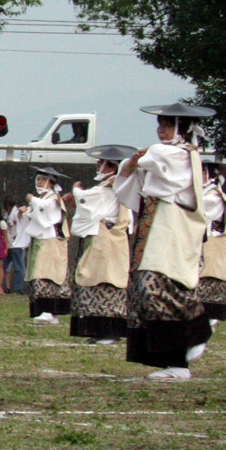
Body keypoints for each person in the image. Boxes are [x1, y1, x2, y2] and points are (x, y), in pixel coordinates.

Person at [114, 103, 215, 380]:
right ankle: (174, 360)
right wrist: (134, 161)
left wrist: (139, 158)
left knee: (157, 284)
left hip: (170, 227)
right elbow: (130, 175)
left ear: (182, 130)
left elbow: (154, 159)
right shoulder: (166, 153)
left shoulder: (180, 154)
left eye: (168, 125)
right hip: (155, 224)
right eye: (160, 125)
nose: (161, 130)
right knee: (146, 289)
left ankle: (197, 331)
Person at [69, 145, 133, 345]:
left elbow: (87, 200)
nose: (98, 166)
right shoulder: (117, 186)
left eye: (101, 163)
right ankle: (99, 330)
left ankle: (109, 332)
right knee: (97, 280)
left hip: (107, 239)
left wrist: (76, 191)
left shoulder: (111, 187)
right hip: (106, 238)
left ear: (111, 166)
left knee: (105, 281)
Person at [25, 167, 72, 324]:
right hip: (41, 240)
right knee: (41, 272)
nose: (38, 182)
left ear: (50, 182)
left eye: (42, 180)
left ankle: (48, 310)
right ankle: (47, 311)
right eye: (38, 179)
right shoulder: (44, 198)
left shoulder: (53, 198)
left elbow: (45, 210)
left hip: (50, 240)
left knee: (46, 273)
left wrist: (32, 200)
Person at [198, 163, 226, 328]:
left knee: (210, 277)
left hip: (212, 245)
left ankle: (210, 317)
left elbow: (198, 214)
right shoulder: (201, 194)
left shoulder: (213, 196)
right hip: (202, 245)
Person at [4, 199, 31, 294]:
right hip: (9, 244)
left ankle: (18, 288)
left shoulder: (16, 213)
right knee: (3, 266)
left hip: (16, 244)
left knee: (18, 267)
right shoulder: (7, 214)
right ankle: (5, 287)